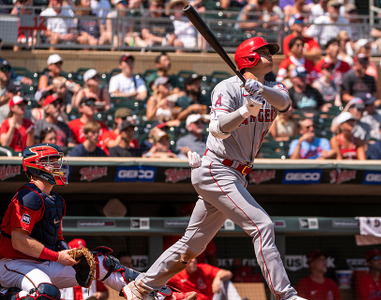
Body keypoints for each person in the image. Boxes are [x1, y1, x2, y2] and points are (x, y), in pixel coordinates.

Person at [122, 37, 307, 300]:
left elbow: (285, 103)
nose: (270, 55)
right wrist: (245, 109)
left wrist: (260, 91)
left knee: (192, 244)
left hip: (237, 174)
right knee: (262, 225)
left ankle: (140, 286)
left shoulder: (273, 87)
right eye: (263, 51)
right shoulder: (227, 87)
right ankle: (285, 295)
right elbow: (217, 129)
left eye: (270, 51)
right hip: (217, 168)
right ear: (249, 58)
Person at [0, 143, 194, 300]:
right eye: (52, 162)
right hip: (14, 264)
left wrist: (70, 254)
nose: (58, 166)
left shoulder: (56, 200)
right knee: (46, 293)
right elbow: (19, 241)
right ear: (36, 164)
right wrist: (58, 257)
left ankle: (161, 295)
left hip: (45, 262)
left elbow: (57, 238)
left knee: (102, 262)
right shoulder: (28, 196)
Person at [168, 258, 242, 300]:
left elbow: (228, 273)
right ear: (184, 263)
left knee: (225, 281)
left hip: (213, 298)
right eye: (190, 259)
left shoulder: (203, 268)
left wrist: (218, 278)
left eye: (194, 258)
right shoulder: (178, 275)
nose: (193, 260)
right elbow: (161, 285)